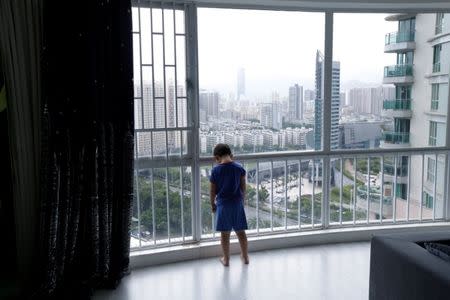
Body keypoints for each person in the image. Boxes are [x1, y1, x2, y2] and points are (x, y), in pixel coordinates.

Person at [210, 143, 249, 267]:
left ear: (217, 158)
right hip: (237, 203)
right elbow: (243, 187)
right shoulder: (239, 168)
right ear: (231, 155)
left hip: (223, 205)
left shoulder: (215, 170)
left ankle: (226, 259)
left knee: (225, 235)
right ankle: (245, 256)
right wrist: (242, 199)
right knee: (241, 233)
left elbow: (212, 191)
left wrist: (212, 204)